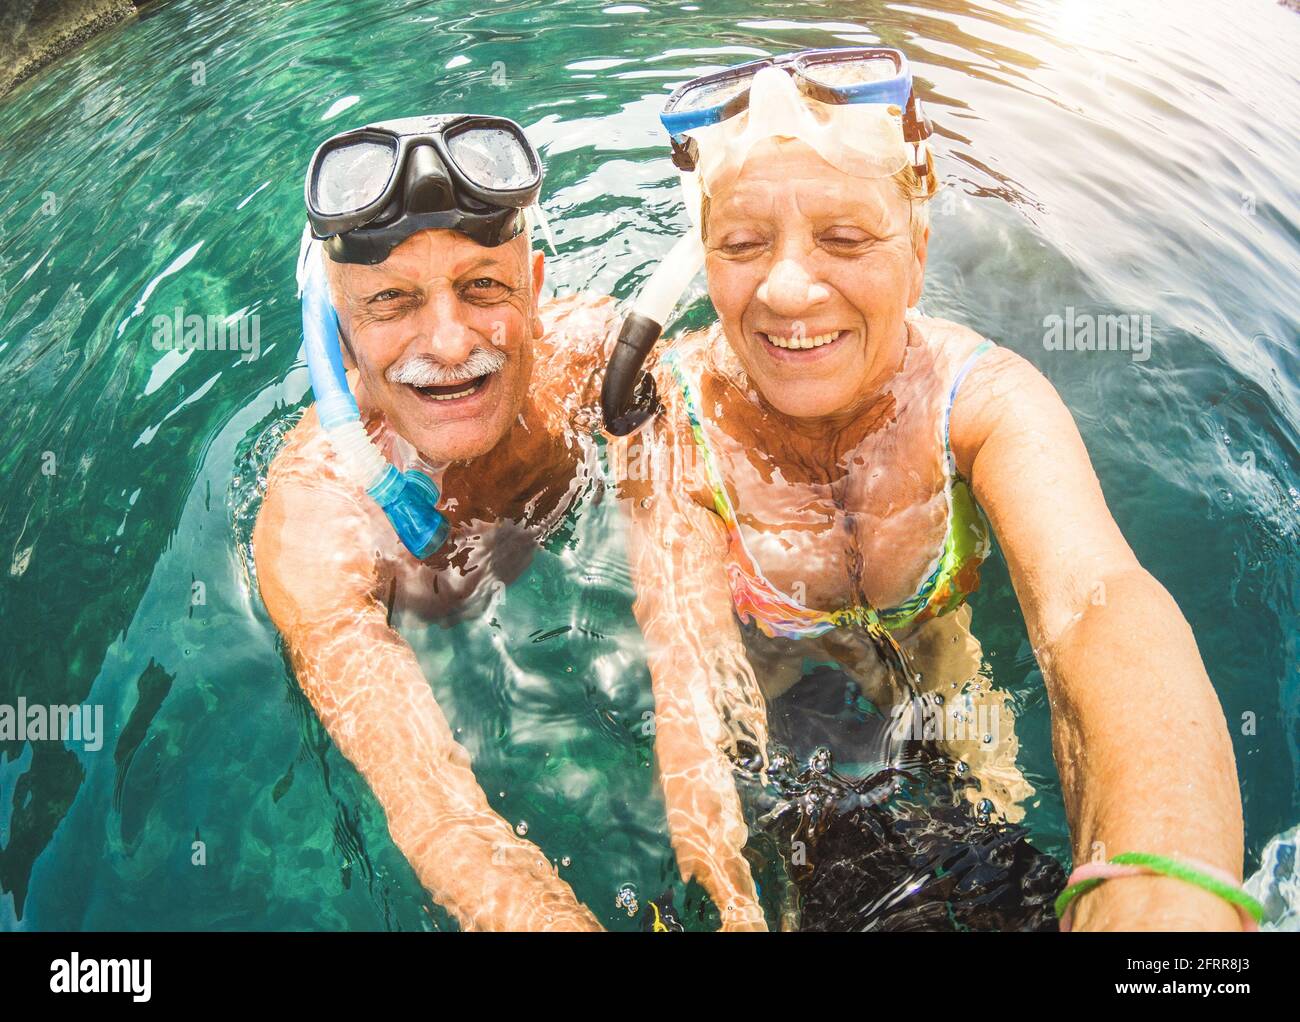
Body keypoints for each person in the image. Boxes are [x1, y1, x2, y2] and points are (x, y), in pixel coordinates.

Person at [602, 49, 1247, 931]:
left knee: (1002, 846)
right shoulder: (670, 415)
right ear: (706, 260)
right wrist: (727, 885)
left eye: (845, 238)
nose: (789, 288)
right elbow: (687, 678)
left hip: (941, 665)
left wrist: (1162, 875)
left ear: (917, 255)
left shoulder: (982, 400)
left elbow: (1095, 605)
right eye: (744, 244)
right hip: (775, 694)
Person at [254, 114, 615, 931]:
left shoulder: (589, 357)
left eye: (485, 285)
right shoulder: (321, 524)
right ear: (333, 338)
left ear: (538, 288)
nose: (450, 343)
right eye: (390, 301)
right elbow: (441, 820)